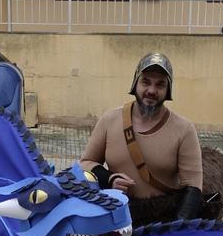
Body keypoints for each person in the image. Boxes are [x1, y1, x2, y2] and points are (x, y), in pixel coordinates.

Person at [80, 52, 208, 225]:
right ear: (135, 83)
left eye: (160, 84)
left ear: (168, 89)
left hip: (161, 222)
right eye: (146, 82)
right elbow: (85, 163)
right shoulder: (109, 120)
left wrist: (174, 230)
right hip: (117, 217)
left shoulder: (184, 129)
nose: (152, 91)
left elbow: (193, 187)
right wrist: (109, 179)